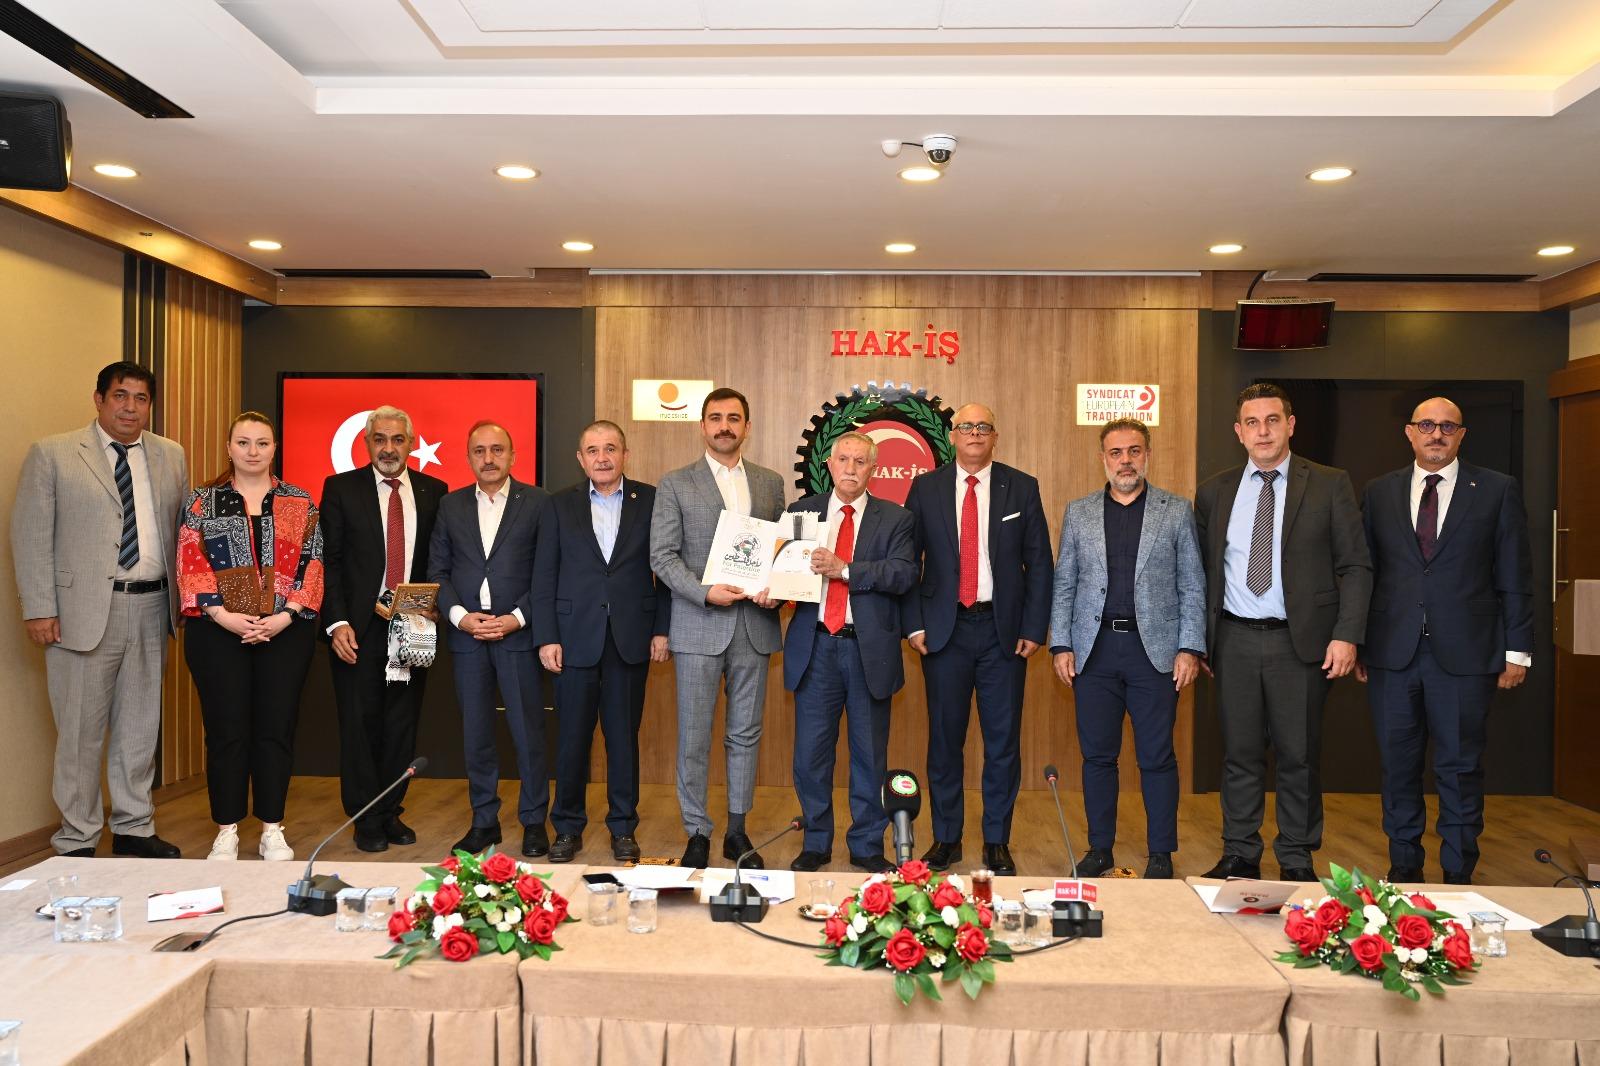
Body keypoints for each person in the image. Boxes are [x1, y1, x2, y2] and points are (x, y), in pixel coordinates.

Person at [1194, 383, 1372, 883]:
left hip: (1302, 644)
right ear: (1238, 432)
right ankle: (1240, 853)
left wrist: (1347, 634)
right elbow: (1201, 572)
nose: (1263, 431)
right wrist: (1199, 639)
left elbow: (1356, 566)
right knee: (1240, 754)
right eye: (1252, 423)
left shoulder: (1330, 484)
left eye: (1272, 420)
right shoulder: (1214, 491)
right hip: (1234, 641)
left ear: (1290, 425)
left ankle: (1296, 857)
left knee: (1299, 755)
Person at [12, 362, 190, 858]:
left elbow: (184, 532)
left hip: (153, 606)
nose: (130, 407)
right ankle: (77, 837)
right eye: (120, 396)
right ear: (99, 399)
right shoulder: (53, 453)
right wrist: (39, 608)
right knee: (79, 733)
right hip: (81, 612)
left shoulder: (171, 454)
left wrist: (186, 599)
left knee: (139, 728)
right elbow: (30, 534)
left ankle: (134, 827)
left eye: (141, 398)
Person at [1357, 397, 1532, 885]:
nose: (1437, 434)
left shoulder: (1496, 489)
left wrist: (1517, 650)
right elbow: (1364, 572)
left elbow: (1515, 574)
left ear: (1462, 435)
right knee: (1398, 767)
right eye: (1427, 425)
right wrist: (1358, 641)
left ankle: (1458, 874)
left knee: (1459, 770)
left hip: (1467, 654)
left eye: (1448, 427)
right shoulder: (1379, 491)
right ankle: (1404, 869)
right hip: (1392, 653)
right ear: (1410, 432)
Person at [1049, 419, 1206, 879]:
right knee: (1098, 756)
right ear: (1103, 459)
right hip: (1094, 651)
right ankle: (1100, 848)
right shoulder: (1079, 512)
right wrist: (1061, 643)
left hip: (1154, 652)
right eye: (1116, 453)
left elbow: (1192, 583)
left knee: (1156, 757)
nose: (1125, 461)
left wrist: (1189, 647)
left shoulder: (1175, 511)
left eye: (1134, 451)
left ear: (1147, 455)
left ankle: (1161, 853)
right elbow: (1065, 582)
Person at [903, 403, 1053, 876]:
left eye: (983, 426)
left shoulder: (1022, 487)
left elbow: (1040, 563)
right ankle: (946, 838)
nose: (974, 433)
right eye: (966, 426)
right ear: (952, 435)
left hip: (1002, 633)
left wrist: (1033, 627)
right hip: (944, 632)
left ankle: (996, 840)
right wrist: (914, 624)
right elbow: (908, 561)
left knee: (1002, 742)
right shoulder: (925, 488)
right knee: (945, 741)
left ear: (994, 436)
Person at [177, 412, 324, 861]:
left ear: (274, 448)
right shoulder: (203, 501)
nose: (253, 451)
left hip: (285, 633)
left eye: (262, 442)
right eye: (243, 442)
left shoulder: (299, 501)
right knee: (227, 732)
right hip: (217, 634)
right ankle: (226, 829)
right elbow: (190, 561)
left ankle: (272, 828)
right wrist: (223, 615)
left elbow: (314, 563)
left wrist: (286, 615)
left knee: (275, 730)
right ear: (229, 448)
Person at [649, 387, 785, 870]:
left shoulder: (770, 483)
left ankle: (737, 830)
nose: (724, 426)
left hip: (754, 626)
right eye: (715, 418)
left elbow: (781, 552)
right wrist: (705, 592)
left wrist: (777, 588)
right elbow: (662, 556)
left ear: (747, 426)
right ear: (702, 426)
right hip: (699, 622)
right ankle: (697, 831)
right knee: (693, 736)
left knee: (745, 734)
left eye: (733, 418)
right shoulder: (675, 483)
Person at [534, 421, 671, 864]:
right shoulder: (558, 505)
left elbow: (666, 568)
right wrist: (547, 637)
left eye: (610, 448)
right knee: (571, 739)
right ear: (581, 459)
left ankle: (623, 827)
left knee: (622, 738)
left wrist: (662, 628)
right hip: (573, 638)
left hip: (631, 638)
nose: (602, 457)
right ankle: (567, 827)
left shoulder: (651, 500)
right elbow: (544, 575)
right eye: (592, 450)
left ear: (625, 454)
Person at [781, 433, 917, 873]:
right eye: (844, 459)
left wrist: (845, 570)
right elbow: (783, 572)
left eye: (861, 461)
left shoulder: (895, 518)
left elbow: (903, 574)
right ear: (830, 463)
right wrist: (771, 588)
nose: (851, 468)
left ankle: (866, 844)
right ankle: (816, 841)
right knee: (810, 756)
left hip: (867, 650)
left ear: (873, 468)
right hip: (816, 646)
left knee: (869, 755)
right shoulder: (801, 513)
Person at [319, 406, 447, 853]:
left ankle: (390, 811)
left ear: (410, 443)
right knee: (360, 724)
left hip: (413, 623)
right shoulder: (341, 489)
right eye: (379, 439)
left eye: (397, 439)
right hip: (358, 628)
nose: (388, 448)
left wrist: (437, 605)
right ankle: (365, 818)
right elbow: (329, 562)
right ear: (367, 442)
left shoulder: (434, 490)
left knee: (401, 723)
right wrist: (336, 622)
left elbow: (439, 559)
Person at [430, 421, 553, 858]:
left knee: (528, 732)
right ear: (469, 458)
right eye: (479, 450)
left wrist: (516, 619)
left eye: (497, 449)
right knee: (476, 734)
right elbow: (438, 571)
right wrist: (460, 618)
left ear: (512, 455)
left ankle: (534, 822)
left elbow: (547, 572)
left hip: (517, 635)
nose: (488, 458)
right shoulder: (451, 505)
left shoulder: (538, 503)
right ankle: (484, 821)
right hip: (468, 639)